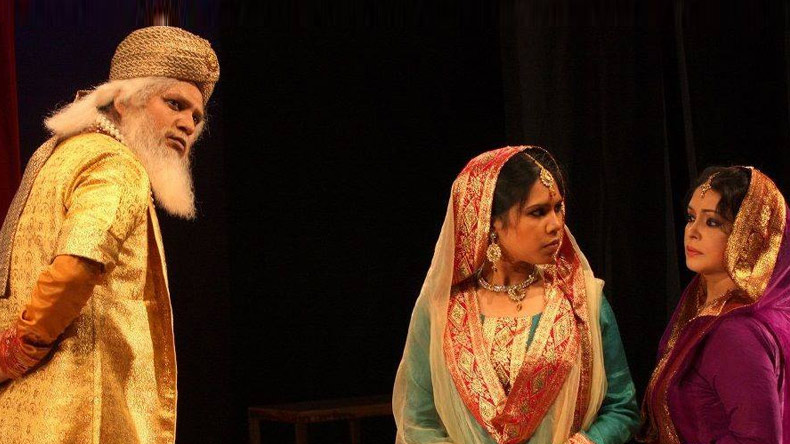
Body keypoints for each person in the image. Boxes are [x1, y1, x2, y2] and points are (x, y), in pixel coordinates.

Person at [0, 26, 219, 443]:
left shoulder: (61, 153)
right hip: (77, 417)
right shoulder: (116, 165)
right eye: (175, 104)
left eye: (196, 116)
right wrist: (18, 350)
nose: (188, 124)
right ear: (124, 99)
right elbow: (77, 265)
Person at [393, 146, 639, 444]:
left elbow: (622, 409)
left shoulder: (582, 300)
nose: (556, 224)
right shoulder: (441, 312)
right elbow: (418, 423)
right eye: (538, 212)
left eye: (558, 207)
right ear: (491, 221)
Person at [641, 166, 790, 444]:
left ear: (749, 237)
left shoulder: (736, 333)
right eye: (691, 217)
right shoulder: (705, 312)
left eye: (712, 222)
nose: (692, 232)